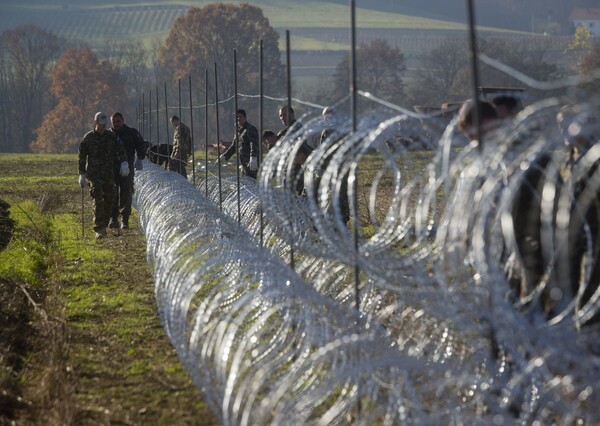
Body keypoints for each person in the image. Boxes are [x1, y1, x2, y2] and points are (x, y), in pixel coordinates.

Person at [78, 111, 128, 240]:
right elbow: (82, 157)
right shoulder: (88, 138)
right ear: (96, 122)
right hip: (94, 174)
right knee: (98, 199)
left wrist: (124, 163)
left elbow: (121, 149)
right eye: (101, 123)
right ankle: (99, 228)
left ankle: (105, 223)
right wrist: (81, 174)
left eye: (105, 124)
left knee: (109, 200)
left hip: (109, 174)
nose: (103, 126)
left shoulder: (111, 137)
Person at [109, 112, 145, 230]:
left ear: (123, 120)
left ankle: (125, 220)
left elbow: (141, 145)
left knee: (126, 192)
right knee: (112, 193)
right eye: (114, 122)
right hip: (112, 168)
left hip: (127, 168)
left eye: (118, 121)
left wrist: (140, 158)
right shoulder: (109, 135)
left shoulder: (131, 133)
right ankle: (113, 218)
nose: (116, 124)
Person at [219, 109, 259, 178]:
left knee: (251, 183)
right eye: (237, 117)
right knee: (245, 183)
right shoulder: (238, 131)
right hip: (244, 163)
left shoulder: (250, 129)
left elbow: (254, 144)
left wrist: (253, 157)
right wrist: (225, 156)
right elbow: (234, 146)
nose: (238, 118)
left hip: (250, 162)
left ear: (245, 117)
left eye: (240, 116)